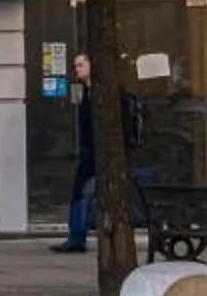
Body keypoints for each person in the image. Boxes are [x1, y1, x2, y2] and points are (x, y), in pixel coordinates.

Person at [50, 53, 141, 252]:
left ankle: (79, 236)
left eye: (81, 65)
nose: (77, 69)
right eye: (75, 66)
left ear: (93, 66)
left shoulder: (109, 94)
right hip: (90, 153)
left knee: (85, 194)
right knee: (82, 194)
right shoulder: (87, 92)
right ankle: (77, 235)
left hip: (100, 152)